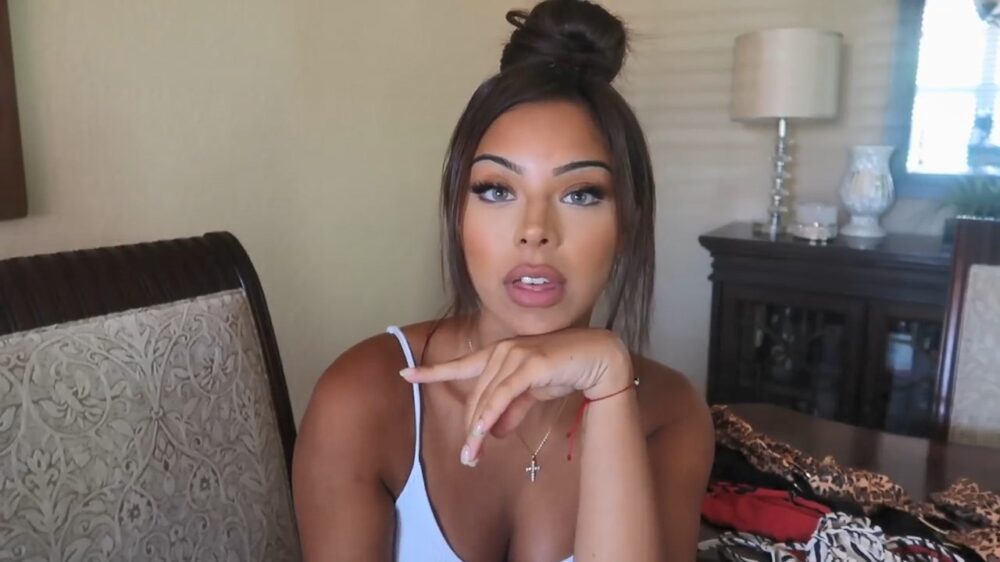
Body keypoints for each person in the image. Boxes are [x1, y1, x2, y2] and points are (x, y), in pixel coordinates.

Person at [292, 1, 714, 560]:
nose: (534, 231)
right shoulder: (362, 400)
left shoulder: (669, 412)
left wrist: (610, 386)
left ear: (627, 225)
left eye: (580, 194)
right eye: (496, 190)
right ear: (457, 213)